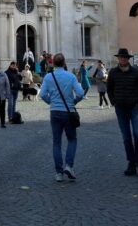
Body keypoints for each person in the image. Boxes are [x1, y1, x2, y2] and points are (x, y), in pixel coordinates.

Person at [40, 53, 84, 182]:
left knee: (56, 142)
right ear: (65, 63)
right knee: (72, 139)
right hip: (68, 111)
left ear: (53, 63)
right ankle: (69, 166)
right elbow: (80, 93)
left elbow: (42, 94)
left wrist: (51, 102)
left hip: (55, 112)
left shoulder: (48, 77)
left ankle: (59, 173)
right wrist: (74, 102)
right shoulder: (71, 76)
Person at [107, 48, 138, 177]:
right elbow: (109, 89)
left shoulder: (136, 73)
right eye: (121, 57)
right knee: (126, 138)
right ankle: (131, 163)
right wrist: (114, 101)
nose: (123, 59)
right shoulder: (113, 73)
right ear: (118, 59)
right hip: (120, 109)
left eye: (125, 57)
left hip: (134, 108)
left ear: (128, 59)